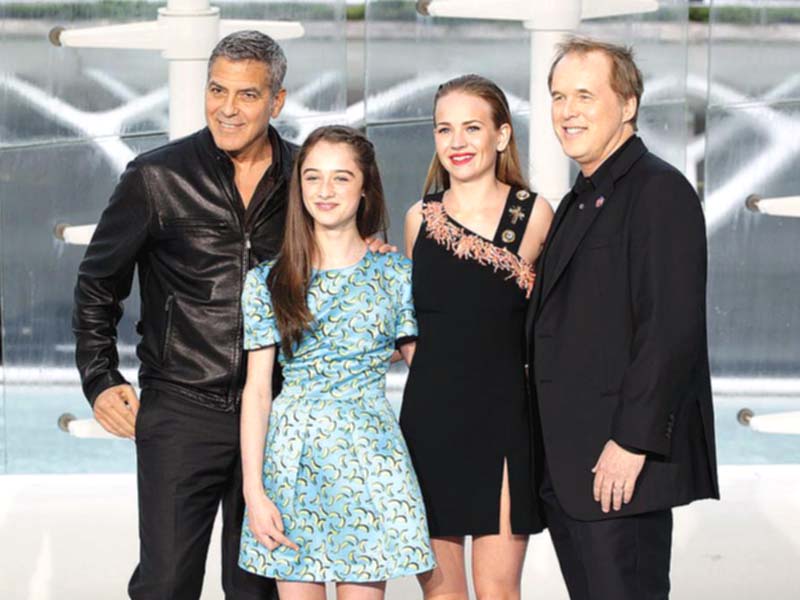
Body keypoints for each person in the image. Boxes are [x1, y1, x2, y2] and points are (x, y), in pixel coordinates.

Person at [72, 31, 295, 599]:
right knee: (167, 584)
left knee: (258, 590)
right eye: (216, 89)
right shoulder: (156, 177)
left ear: (278, 102)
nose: (226, 107)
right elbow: (98, 283)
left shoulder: (307, 180)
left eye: (247, 95)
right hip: (181, 410)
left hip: (277, 411)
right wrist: (99, 379)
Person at [525, 37, 720, 599]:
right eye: (559, 96)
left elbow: (671, 329)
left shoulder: (660, 191)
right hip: (571, 474)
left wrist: (632, 443)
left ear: (628, 104)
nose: (568, 111)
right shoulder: (578, 199)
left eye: (585, 95)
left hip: (618, 467)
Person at [237, 125, 436, 599]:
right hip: (292, 458)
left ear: (365, 187)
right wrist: (254, 491)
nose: (325, 191)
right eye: (313, 177)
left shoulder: (396, 274)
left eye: (341, 178)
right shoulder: (268, 280)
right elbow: (258, 390)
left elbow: (428, 370)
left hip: (369, 456)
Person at [400, 75, 553, 600]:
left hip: (505, 419)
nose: (457, 142)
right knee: (442, 593)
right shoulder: (420, 218)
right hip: (430, 419)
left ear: (502, 136)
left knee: (497, 590)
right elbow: (412, 320)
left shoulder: (534, 214)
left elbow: (551, 325)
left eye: (471, 128)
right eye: (445, 129)